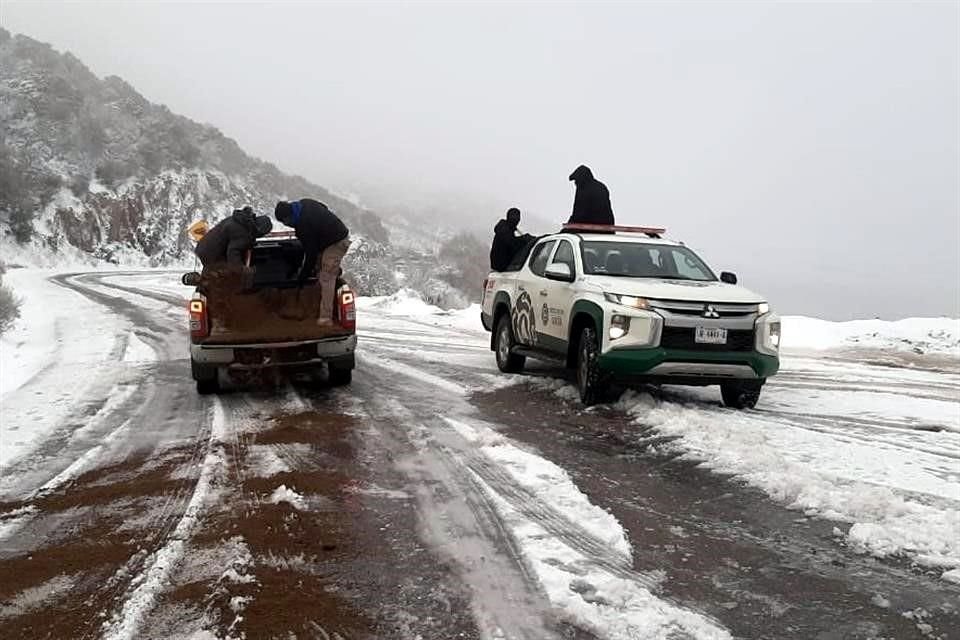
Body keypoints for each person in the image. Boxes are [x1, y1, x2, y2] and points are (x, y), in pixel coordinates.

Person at [275, 198, 350, 326]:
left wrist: (302, 277)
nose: (287, 225)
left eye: (285, 222)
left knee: (326, 277)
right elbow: (324, 206)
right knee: (319, 268)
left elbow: (310, 255)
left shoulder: (304, 225)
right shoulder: (305, 203)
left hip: (337, 241)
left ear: (288, 218)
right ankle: (332, 269)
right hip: (326, 242)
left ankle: (325, 319)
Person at [195, 206, 273, 270]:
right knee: (220, 278)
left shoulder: (240, 220)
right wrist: (240, 271)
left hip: (204, 246)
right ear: (260, 230)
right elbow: (233, 252)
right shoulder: (243, 232)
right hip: (211, 252)